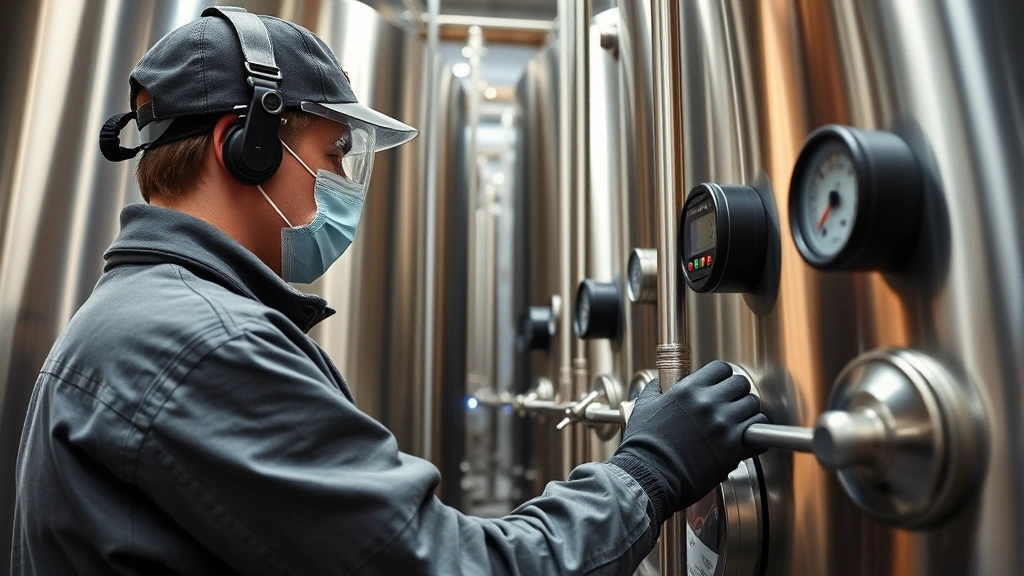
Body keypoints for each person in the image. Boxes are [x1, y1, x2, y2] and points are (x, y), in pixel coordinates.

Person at [12, 7, 767, 575]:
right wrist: (648, 471)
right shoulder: (203, 344)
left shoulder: (142, 315)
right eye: (334, 153)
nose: (345, 183)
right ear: (245, 145)